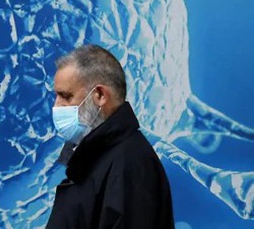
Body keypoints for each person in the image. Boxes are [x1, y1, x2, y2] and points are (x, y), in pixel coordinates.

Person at [46, 44, 174, 229]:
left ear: (99, 95)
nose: (57, 106)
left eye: (66, 96)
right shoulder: (94, 161)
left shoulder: (129, 165)